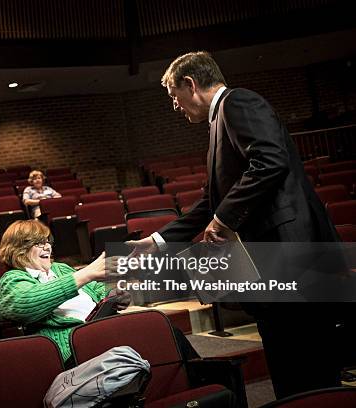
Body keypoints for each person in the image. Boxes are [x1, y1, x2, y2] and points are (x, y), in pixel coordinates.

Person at [127, 51, 345, 399]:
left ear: (190, 84)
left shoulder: (238, 102)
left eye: (173, 97)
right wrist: (157, 240)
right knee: (287, 359)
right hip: (271, 262)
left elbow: (270, 161)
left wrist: (224, 218)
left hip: (289, 255)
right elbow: (210, 201)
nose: (175, 106)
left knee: (308, 362)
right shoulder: (219, 123)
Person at [0, 220, 131, 363]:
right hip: (74, 347)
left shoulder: (59, 268)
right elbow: (24, 303)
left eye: (47, 241)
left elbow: (94, 288)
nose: (47, 247)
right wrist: (86, 273)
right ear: (19, 249)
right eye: (39, 243)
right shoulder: (11, 279)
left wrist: (113, 294)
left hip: (103, 328)